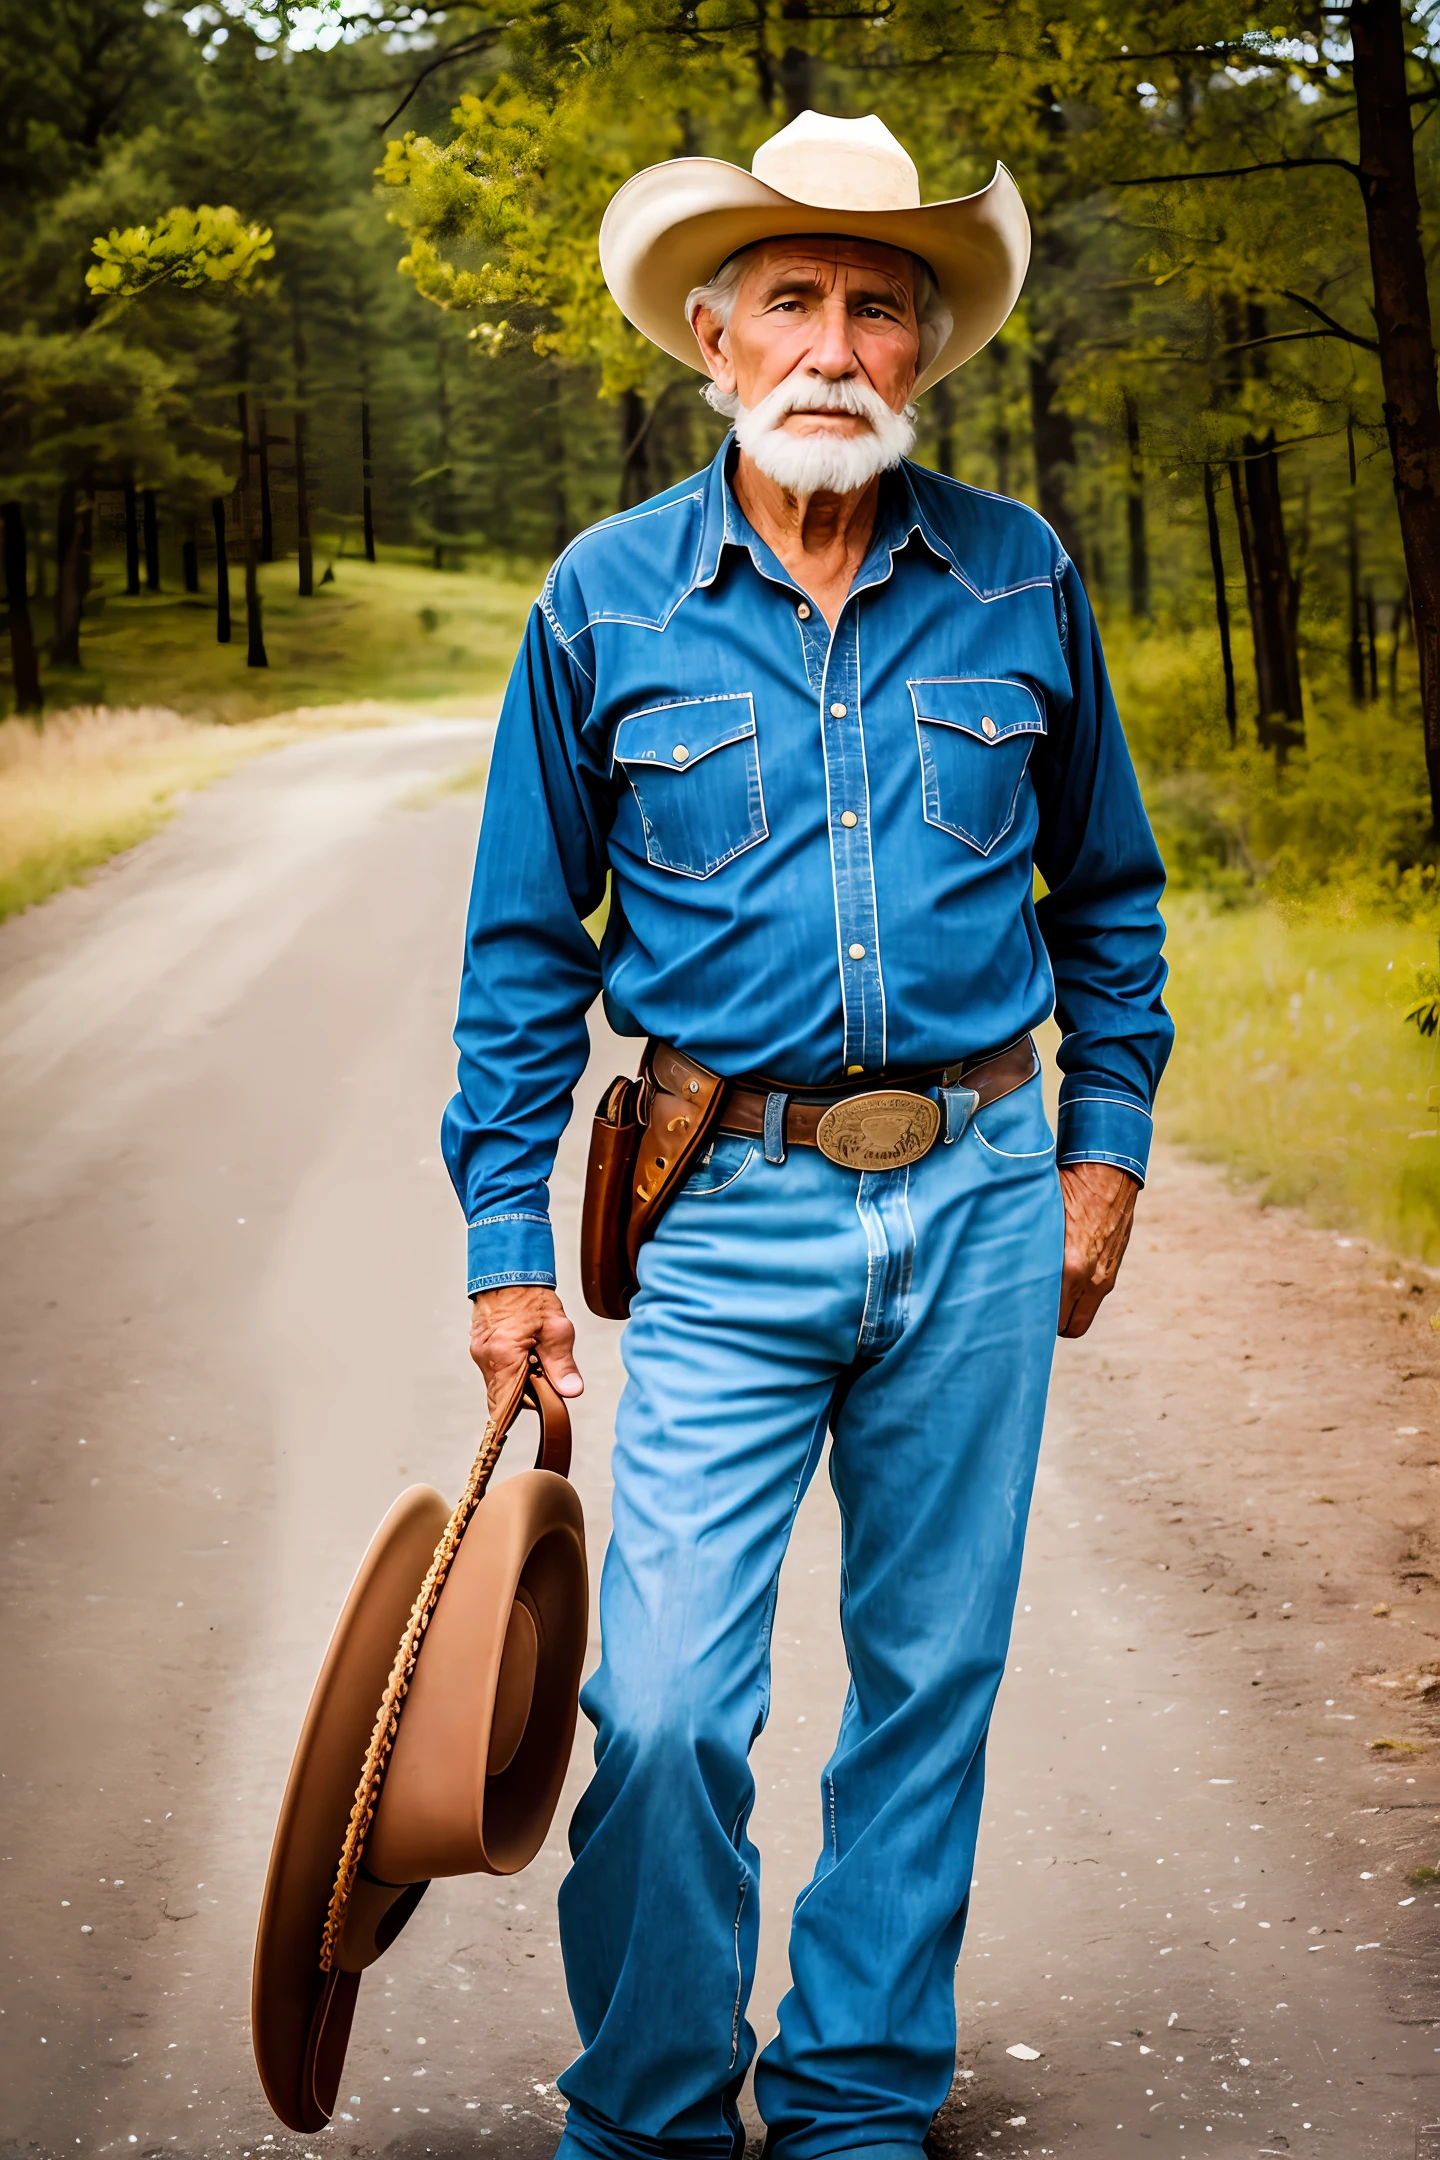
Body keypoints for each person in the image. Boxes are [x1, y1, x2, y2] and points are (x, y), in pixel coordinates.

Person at [442, 108, 1171, 2160]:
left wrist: (1103, 1149)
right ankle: (657, 2105)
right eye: (793, 299)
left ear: (927, 350)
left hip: (981, 1198)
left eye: (878, 303)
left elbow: (1104, 896)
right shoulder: (606, 601)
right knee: (662, 1706)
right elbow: (522, 952)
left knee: (931, 1682)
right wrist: (509, 1253)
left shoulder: (1022, 573)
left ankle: (857, 2094)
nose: (835, 341)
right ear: (713, 330)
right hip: (720, 1204)